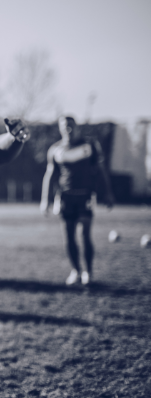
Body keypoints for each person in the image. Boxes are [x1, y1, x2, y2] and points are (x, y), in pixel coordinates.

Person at [40, 116, 114, 286]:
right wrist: (45, 199)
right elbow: (50, 175)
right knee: (69, 237)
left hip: (85, 196)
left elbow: (100, 170)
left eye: (71, 125)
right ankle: (76, 271)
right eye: (64, 126)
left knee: (85, 234)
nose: (68, 129)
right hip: (65, 197)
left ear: (76, 126)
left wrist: (108, 193)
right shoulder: (55, 149)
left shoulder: (90, 145)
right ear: (60, 128)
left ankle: (88, 272)